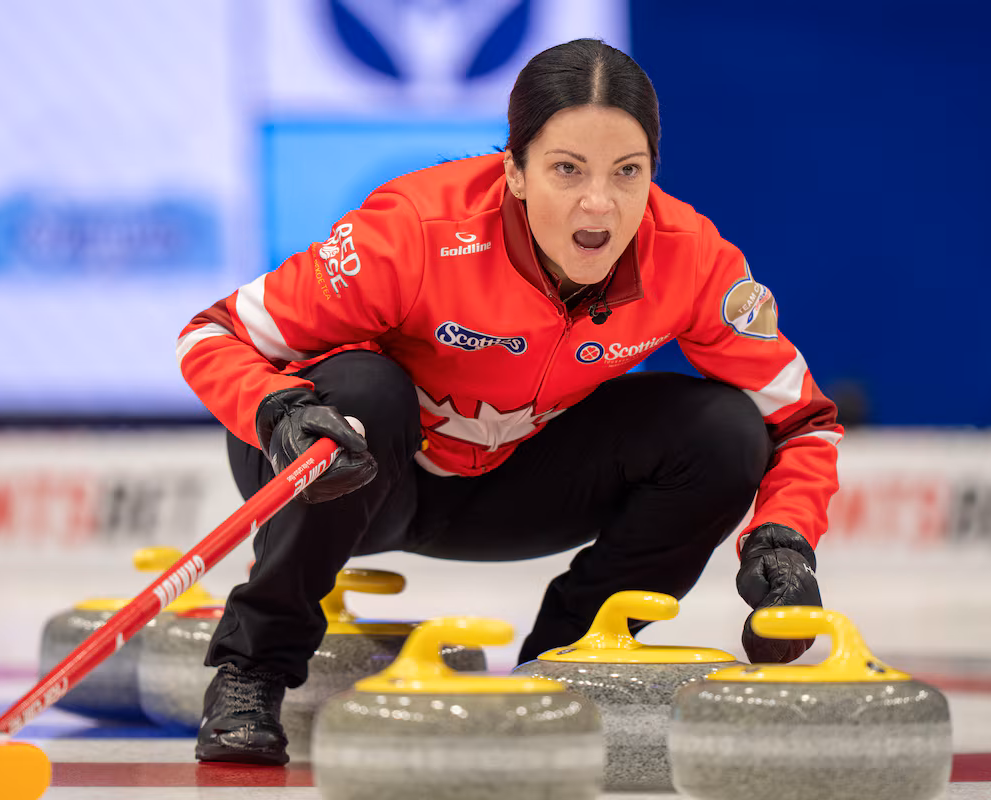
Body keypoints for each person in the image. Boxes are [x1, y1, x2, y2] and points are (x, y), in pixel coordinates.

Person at [177, 38, 841, 765]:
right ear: (514, 172)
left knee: (725, 432)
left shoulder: (691, 259)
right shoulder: (413, 232)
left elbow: (802, 421)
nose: (599, 204)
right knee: (369, 388)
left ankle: (563, 671)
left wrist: (784, 537)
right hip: (344, 472)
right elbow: (213, 333)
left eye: (627, 172)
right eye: (567, 169)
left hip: (505, 486)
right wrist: (277, 411)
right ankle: (252, 672)